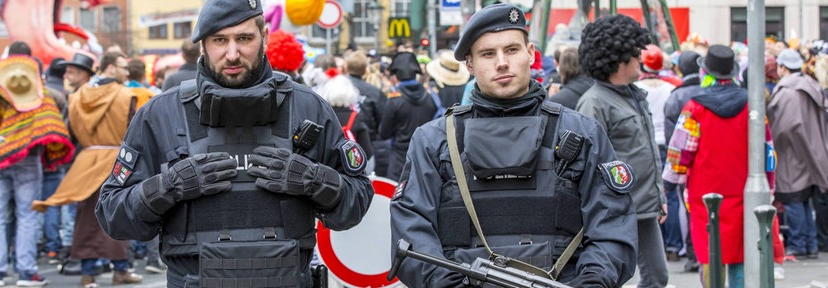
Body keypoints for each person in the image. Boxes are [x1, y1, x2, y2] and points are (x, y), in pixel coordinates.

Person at [94, 0, 374, 285]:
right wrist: (168, 187)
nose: (232, 54)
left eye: (244, 38)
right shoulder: (161, 114)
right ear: (203, 44)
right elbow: (113, 214)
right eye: (219, 40)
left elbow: (357, 202)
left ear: (263, 37)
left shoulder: (308, 107)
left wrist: (314, 180)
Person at [389, 3, 637, 287]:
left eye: (511, 50)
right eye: (487, 54)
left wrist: (592, 281)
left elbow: (613, 226)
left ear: (530, 53)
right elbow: (411, 230)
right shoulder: (433, 141)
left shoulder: (582, 133)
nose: (501, 62)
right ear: (469, 64)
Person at [663, 44, 785, 288]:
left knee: (711, 255)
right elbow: (767, 152)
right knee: (742, 254)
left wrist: (667, 187)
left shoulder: (694, 108)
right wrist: (769, 189)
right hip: (744, 194)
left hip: (705, 198)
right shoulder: (753, 107)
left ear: (706, 72)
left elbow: (679, 155)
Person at [0, 55, 74, 287]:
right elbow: (51, 123)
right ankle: (26, 270)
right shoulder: (38, 93)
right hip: (28, 160)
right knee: (27, 215)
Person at [34, 51, 143, 287]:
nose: (127, 71)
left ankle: (88, 272)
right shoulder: (125, 95)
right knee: (118, 212)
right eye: (123, 67)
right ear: (111, 68)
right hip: (117, 160)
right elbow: (133, 133)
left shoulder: (77, 97)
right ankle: (121, 269)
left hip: (86, 160)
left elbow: (70, 132)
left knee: (86, 216)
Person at [576, 14, 667, 288]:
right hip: (612, 212)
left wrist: (658, 194)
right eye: (635, 54)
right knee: (609, 279)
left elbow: (648, 150)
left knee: (657, 277)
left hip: (644, 208)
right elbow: (586, 165)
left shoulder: (634, 95)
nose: (641, 59)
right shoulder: (593, 103)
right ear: (619, 60)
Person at [769, 48, 828, 260]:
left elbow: (782, 127)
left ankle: (799, 243)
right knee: (805, 200)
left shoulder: (788, 92)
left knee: (794, 198)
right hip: (810, 151)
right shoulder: (810, 86)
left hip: (792, 153)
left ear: (783, 67)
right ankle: (810, 243)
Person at [662, 50, 702, 270]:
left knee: (689, 208)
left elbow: (673, 138)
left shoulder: (676, 96)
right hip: (707, 160)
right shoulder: (707, 91)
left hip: (685, 162)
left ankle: (693, 254)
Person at [379, 51, 436, 181]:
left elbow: (384, 133)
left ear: (395, 76)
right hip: (427, 159)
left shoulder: (393, 100)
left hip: (400, 161)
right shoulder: (431, 96)